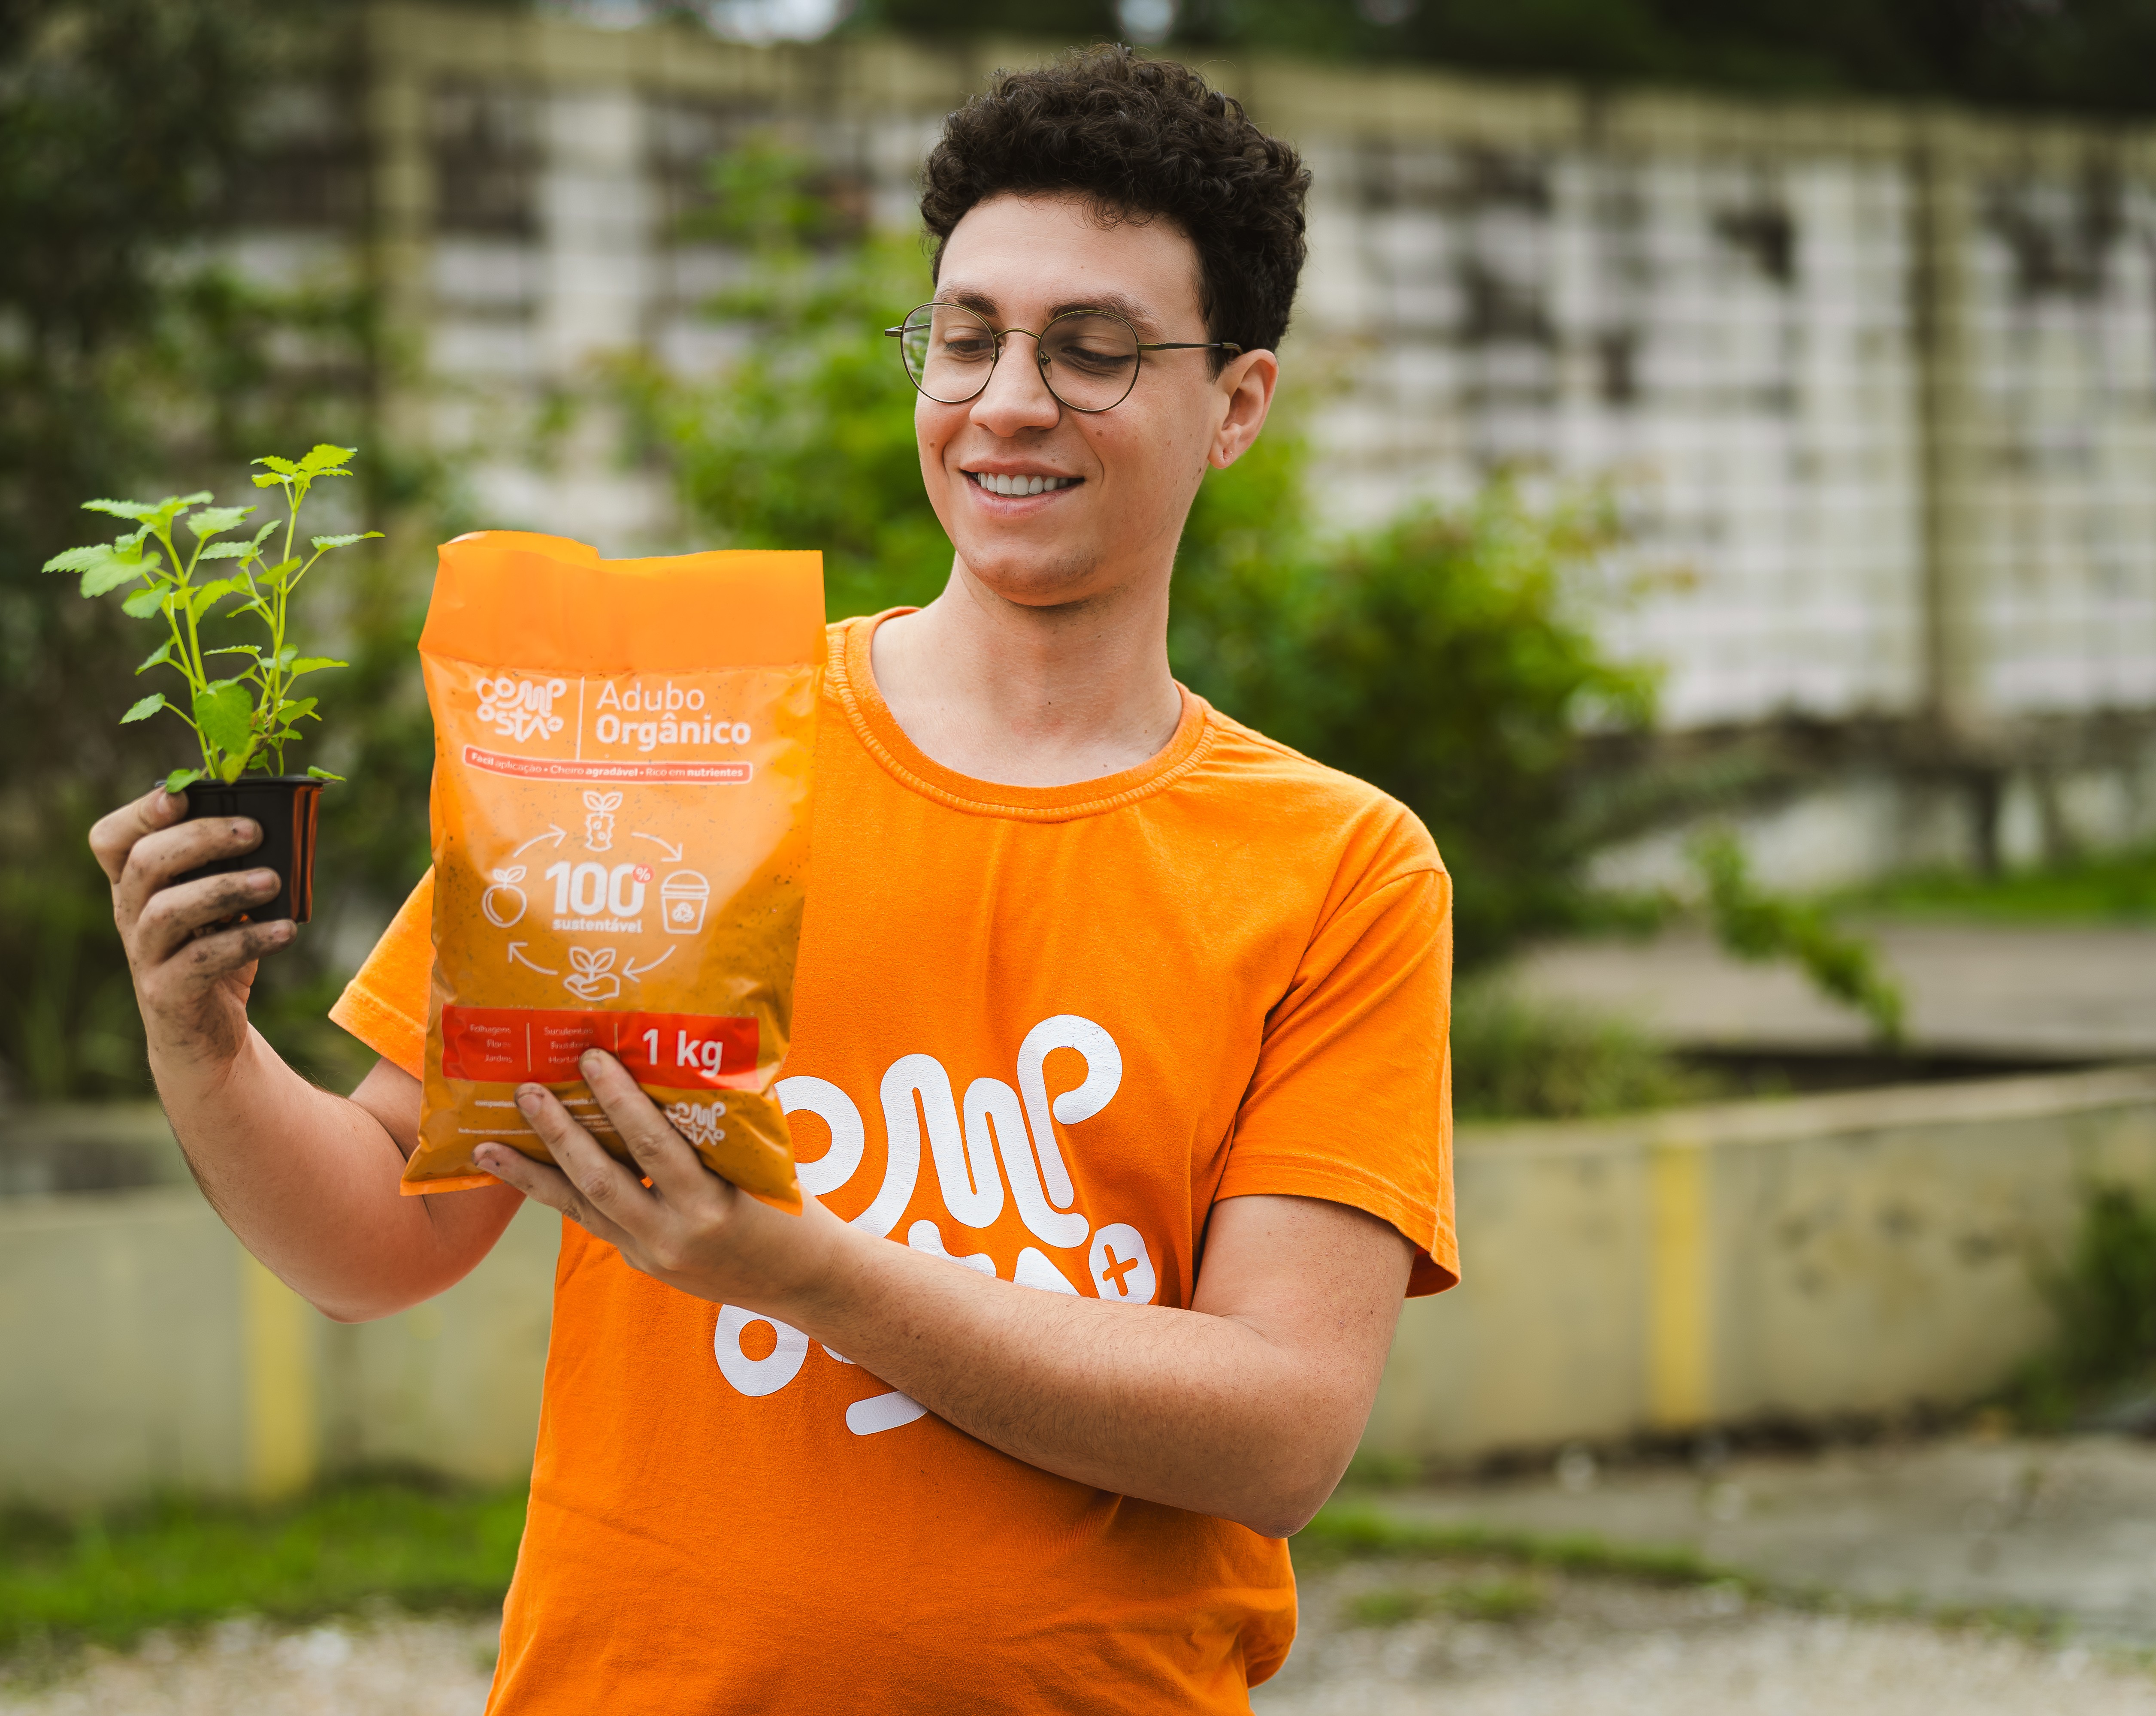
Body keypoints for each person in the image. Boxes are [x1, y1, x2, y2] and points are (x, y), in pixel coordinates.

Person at [90, 45, 1455, 1715]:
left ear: (1236, 401)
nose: (1007, 399)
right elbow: (385, 1225)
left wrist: (793, 1267)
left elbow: (1279, 1429)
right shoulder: (675, 741)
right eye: (965, 339)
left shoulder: (1338, 865)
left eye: (1091, 351)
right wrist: (206, 1043)